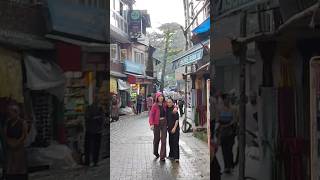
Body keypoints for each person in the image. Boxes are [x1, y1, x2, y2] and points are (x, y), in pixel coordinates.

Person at [4, 102, 28, 180]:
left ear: (16, 112)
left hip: (19, 147)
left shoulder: (22, 122)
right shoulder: (8, 122)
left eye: (11, 111)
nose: (10, 113)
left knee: (19, 166)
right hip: (10, 147)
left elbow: (24, 135)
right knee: (10, 166)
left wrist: (17, 143)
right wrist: (9, 142)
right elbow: (5, 134)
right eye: (9, 111)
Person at [217, 93, 237, 174]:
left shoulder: (233, 109)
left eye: (229, 98)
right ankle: (226, 167)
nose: (228, 100)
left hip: (230, 132)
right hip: (222, 132)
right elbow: (218, 120)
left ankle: (230, 166)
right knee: (224, 150)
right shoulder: (220, 109)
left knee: (229, 149)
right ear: (223, 99)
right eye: (227, 98)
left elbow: (235, 120)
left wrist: (228, 124)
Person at [84, 97, 106, 167]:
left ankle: (88, 161)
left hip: (90, 130)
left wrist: (92, 119)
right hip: (96, 131)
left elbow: (86, 117)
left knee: (88, 146)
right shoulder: (100, 109)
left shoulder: (88, 108)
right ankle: (94, 161)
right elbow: (102, 119)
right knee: (96, 147)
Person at [149, 92, 167, 161]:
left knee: (163, 140)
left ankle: (162, 156)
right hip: (156, 123)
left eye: (162, 96)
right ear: (157, 98)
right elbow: (151, 115)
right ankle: (155, 152)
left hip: (164, 123)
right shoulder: (154, 105)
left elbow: (172, 105)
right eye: (159, 97)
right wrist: (151, 124)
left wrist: (175, 108)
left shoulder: (165, 104)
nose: (161, 98)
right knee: (156, 139)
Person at [166, 98, 180, 162]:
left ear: (172, 103)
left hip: (175, 129)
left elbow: (177, 120)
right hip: (169, 129)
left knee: (175, 142)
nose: (168, 103)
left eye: (170, 102)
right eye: (168, 102)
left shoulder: (174, 110)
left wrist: (174, 128)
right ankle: (171, 155)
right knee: (170, 142)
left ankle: (176, 157)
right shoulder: (166, 109)